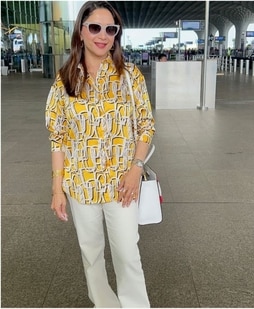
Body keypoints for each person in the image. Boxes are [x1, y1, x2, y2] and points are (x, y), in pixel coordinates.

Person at [45, 1, 155, 307]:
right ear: (81, 32)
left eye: (110, 29)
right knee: (90, 252)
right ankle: (105, 304)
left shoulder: (130, 76)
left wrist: (136, 169)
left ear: (117, 34)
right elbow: (58, 138)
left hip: (122, 184)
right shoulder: (64, 81)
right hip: (80, 183)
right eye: (95, 27)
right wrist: (57, 189)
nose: (102, 35)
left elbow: (146, 125)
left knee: (126, 253)